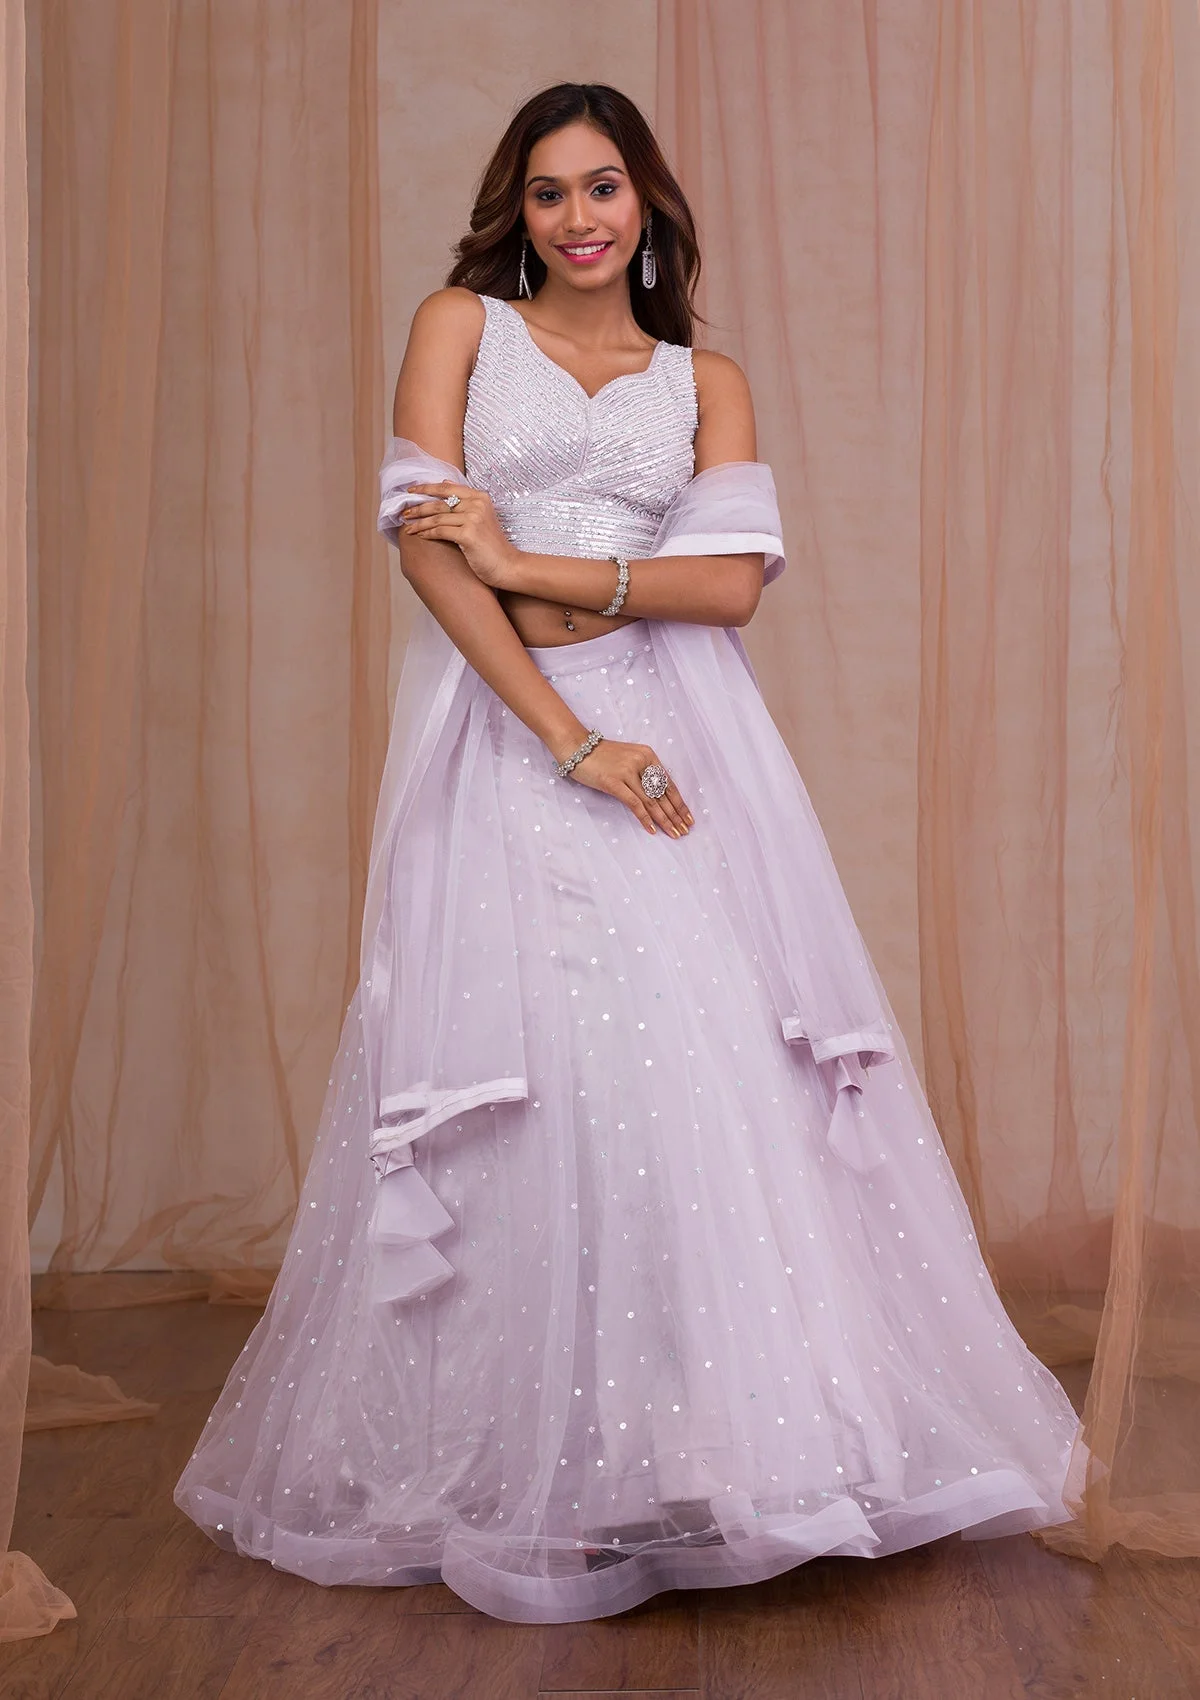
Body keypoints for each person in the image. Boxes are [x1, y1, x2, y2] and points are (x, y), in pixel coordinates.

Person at [175, 82, 1084, 1625]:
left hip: (687, 739)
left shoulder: (703, 380)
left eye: (604, 187)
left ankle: (728, 1454)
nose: (579, 217)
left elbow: (726, 590)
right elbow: (429, 559)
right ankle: (548, 1471)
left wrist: (529, 559)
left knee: (707, 1064)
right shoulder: (461, 327)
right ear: (516, 213)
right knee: (549, 1068)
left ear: (648, 202)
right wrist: (567, 736)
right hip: (520, 737)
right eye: (548, 193)